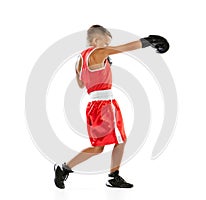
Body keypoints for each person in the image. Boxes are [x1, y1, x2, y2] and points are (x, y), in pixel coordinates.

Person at [54, 25, 169, 189]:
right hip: (105, 104)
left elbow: (81, 84)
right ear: (95, 40)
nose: (107, 47)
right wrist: (149, 42)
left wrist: (102, 69)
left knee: (98, 148)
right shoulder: (99, 52)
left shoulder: (80, 59)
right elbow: (125, 48)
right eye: (105, 43)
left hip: (92, 106)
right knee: (121, 141)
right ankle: (113, 177)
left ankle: (64, 168)